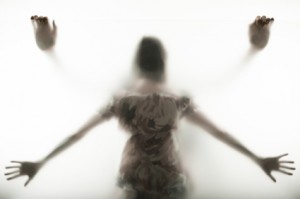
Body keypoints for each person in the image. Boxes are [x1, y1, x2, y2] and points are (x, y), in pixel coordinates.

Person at [5, 37, 295, 199]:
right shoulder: (176, 100)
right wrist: (257, 159)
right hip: (168, 180)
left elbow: (78, 135)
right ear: (162, 63)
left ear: (138, 64)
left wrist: (41, 162)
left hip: (134, 179)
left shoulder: (121, 101)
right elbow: (218, 133)